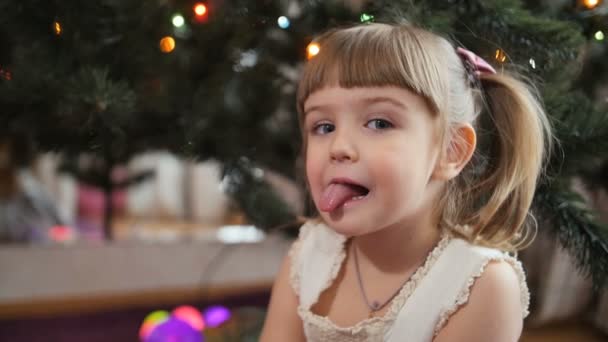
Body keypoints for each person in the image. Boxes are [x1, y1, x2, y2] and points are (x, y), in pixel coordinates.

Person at [261, 22, 552, 342]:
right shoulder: (310, 253)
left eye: (379, 122)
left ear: (450, 151)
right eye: (324, 127)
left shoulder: (480, 285)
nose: (339, 147)